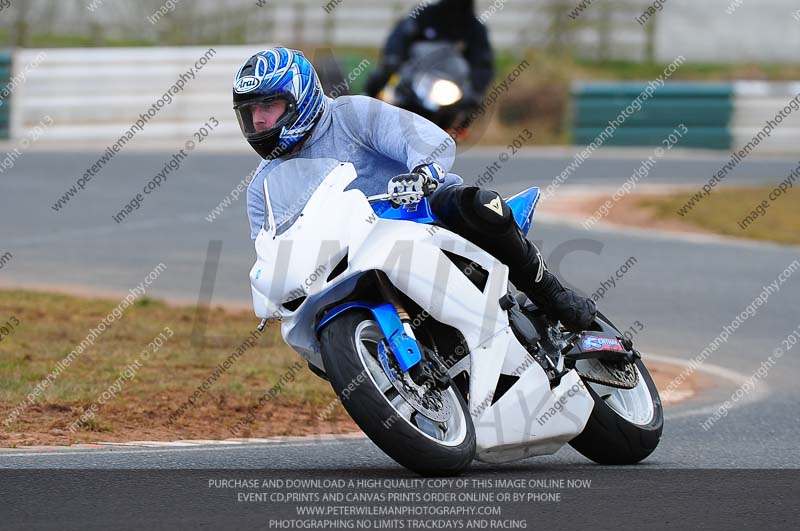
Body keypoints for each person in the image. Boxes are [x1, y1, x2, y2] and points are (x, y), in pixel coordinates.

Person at [236, 47, 595, 332]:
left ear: (300, 97)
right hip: (349, 261)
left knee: (475, 203)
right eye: (251, 111)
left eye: (269, 105)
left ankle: (550, 293)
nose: (260, 120)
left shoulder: (350, 115)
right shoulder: (260, 189)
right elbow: (272, 251)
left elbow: (424, 139)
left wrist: (422, 171)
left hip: (417, 216)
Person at [364, 0, 493, 106]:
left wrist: (476, 89)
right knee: (381, 90)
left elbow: (482, 64)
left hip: (450, 92)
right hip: (414, 83)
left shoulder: (475, 30)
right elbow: (399, 40)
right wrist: (392, 61)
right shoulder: (424, 16)